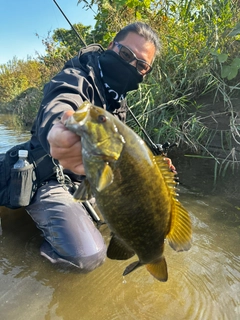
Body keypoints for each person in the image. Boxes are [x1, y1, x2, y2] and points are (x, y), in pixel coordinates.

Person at [25, 22, 162, 272]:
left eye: (141, 65)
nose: (131, 66)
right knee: (87, 257)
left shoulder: (117, 99)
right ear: (112, 46)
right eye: (125, 55)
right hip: (51, 178)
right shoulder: (77, 76)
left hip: (83, 182)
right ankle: (32, 265)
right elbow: (62, 101)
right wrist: (57, 131)